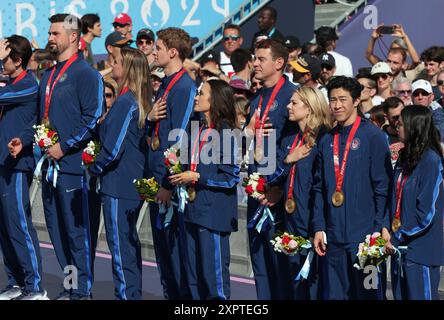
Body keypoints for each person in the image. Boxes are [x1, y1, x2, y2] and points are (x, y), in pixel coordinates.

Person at [9, 14, 105, 300]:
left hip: (72, 167)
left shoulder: (86, 74)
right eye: (49, 33)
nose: (50, 38)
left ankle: (82, 292)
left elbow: (93, 117)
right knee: (57, 233)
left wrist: (65, 146)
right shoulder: (49, 74)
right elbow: (40, 119)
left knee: (75, 234)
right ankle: (70, 287)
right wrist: (26, 140)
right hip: (49, 166)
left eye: (55, 33)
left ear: (73, 36)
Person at [312, 76, 392, 300]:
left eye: (342, 99)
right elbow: (318, 188)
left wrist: (378, 228)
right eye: (332, 100)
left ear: (357, 100)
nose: (336, 105)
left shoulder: (374, 137)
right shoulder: (327, 139)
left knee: (369, 294)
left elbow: (382, 188)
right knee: (335, 296)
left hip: (365, 239)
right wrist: (319, 226)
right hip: (334, 237)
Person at [88, 47, 151, 300]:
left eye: (114, 62)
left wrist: (94, 169)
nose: (110, 66)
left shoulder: (126, 101)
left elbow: (113, 149)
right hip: (126, 183)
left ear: (126, 69)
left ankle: (126, 295)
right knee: (127, 245)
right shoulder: (133, 99)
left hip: (118, 184)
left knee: (120, 247)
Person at [169, 79, 240, 300]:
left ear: (215, 99)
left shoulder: (227, 132)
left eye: (201, 93)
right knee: (193, 278)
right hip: (191, 210)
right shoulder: (197, 128)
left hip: (213, 214)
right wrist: (176, 164)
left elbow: (230, 177)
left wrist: (197, 176)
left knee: (214, 279)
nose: (196, 97)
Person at [244, 38, 297, 299]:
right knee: (260, 263)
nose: (254, 63)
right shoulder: (257, 99)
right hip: (258, 191)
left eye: (260, 59)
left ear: (279, 63)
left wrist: (280, 187)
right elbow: (249, 140)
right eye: (255, 58)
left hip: (279, 195)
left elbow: (299, 148)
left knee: (281, 267)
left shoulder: (293, 97)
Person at [146, 27, 197, 300]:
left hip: (171, 185)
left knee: (177, 256)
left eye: (158, 48)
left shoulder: (185, 86)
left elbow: (182, 139)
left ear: (173, 52)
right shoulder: (164, 83)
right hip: (157, 180)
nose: (153, 52)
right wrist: (149, 119)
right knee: (163, 255)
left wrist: (167, 182)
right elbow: (155, 130)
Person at [273, 87, 333, 299]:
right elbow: (272, 176)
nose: (288, 106)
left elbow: (322, 185)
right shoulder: (290, 138)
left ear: (309, 108)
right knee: (294, 282)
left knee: (314, 283)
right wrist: (288, 159)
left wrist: (318, 224)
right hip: (291, 218)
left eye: (294, 103)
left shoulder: (324, 138)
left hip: (312, 219)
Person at [0, 36, 47, 300]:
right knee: (4, 228)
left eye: (5, 58)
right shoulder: (11, 81)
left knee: (19, 225)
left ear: (17, 61)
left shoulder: (28, 85)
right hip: (2, 162)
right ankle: (16, 281)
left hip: (17, 166)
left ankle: (35, 286)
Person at [386, 105, 444, 300]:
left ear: (414, 126)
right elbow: (394, 197)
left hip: (421, 251)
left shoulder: (431, 161)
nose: (397, 125)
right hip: (400, 249)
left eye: (401, 123)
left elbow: (427, 213)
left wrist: (398, 235)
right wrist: (388, 229)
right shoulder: (404, 156)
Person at [381, 97, 405, 167]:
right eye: (396, 117)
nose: (400, 119)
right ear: (386, 117)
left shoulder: (414, 133)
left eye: (403, 114)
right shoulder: (380, 138)